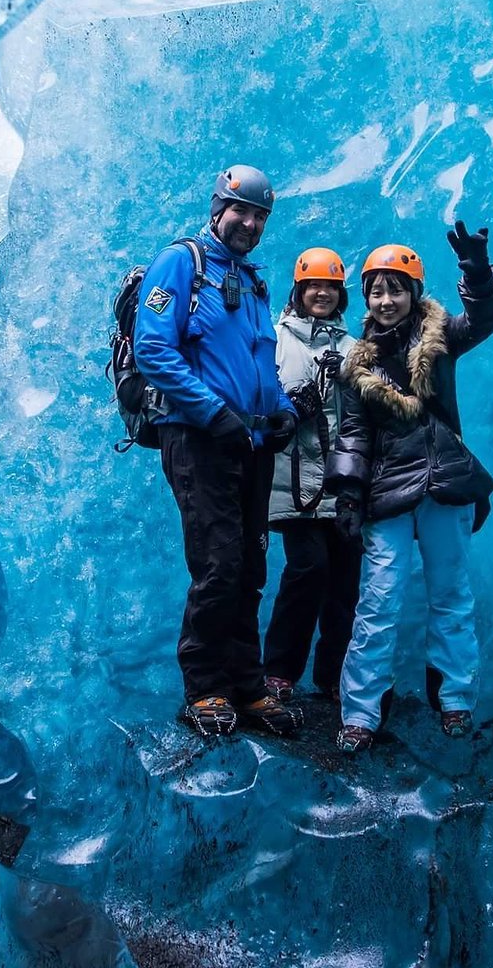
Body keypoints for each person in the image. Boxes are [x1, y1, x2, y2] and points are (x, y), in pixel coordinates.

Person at [325, 222, 493, 753]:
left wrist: (477, 270)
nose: (386, 299)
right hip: (388, 491)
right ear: (366, 298)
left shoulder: (441, 339)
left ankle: (455, 702)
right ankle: (360, 714)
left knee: (451, 597)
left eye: (396, 288)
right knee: (379, 602)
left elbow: (487, 313)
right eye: (377, 290)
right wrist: (347, 495)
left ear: (414, 292)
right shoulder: (357, 366)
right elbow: (355, 435)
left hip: (446, 484)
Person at [133, 165, 304, 738]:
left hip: (249, 443)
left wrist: (282, 408)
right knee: (218, 565)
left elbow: (261, 364)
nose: (250, 223)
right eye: (241, 210)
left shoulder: (254, 282)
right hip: (199, 440)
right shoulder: (182, 263)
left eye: (260, 216)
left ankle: (247, 686)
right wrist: (212, 413)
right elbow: (153, 348)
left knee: (251, 568)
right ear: (218, 208)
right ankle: (204, 688)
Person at [261, 249, 362, 703]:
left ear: (341, 293)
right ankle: (279, 669)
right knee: (309, 568)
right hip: (295, 484)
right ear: (298, 290)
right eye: (313, 285)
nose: (322, 293)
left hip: (341, 485)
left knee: (344, 580)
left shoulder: (352, 346)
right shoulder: (278, 339)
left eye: (331, 286)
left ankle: (331, 674)